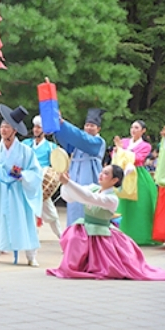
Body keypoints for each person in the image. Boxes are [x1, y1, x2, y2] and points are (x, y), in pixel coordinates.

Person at [47, 164, 165, 281]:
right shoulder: (93, 188)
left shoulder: (112, 199)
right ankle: (75, 266)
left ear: (115, 180)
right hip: (86, 228)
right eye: (102, 171)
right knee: (73, 236)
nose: (101, 175)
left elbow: (89, 198)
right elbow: (70, 197)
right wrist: (65, 184)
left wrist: (68, 183)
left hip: (101, 233)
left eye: (106, 173)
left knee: (109, 264)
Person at [0, 104, 44, 267]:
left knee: (24, 221)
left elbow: (36, 172)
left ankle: (31, 255)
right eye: (2, 126)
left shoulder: (25, 151)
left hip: (18, 191)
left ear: (15, 130)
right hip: (0, 189)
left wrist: (23, 175)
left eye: (7, 126)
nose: (3, 129)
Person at [38, 81, 106, 228]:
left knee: (88, 204)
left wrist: (62, 123)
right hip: (75, 175)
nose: (89, 128)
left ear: (98, 128)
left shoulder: (98, 142)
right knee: (74, 204)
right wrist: (56, 127)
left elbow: (81, 139)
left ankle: (89, 237)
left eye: (92, 126)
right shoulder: (81, 140)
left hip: (90, 177)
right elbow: (67, 141)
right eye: (87, 125)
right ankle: (73, 237)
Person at [113, 120, 160, 247]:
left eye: (137, 127)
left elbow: (138, 158)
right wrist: (118, 151)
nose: (133, 130)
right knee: (122, 205)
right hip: (123, 173)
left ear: (143, 130)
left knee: (140, 205)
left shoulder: (146, 146)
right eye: (132, 127)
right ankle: (120, 234)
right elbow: (115, 155)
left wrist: (121, 150)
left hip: (137, 175)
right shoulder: (124, 141)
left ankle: (140, 235)